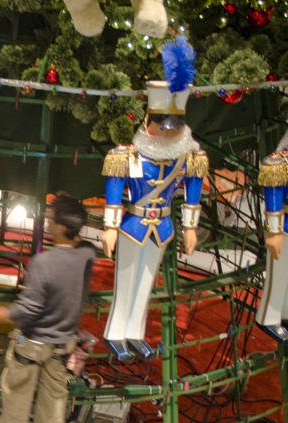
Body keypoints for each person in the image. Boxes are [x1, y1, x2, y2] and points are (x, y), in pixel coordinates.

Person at [100, 36, 208, 361]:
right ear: (149, 122)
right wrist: (109, 227)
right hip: (134, 223)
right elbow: (114, 194)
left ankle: (134, 332)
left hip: (162, 225)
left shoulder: (186, 158)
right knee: (126, 277)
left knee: (147, 282)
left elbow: (193, 190)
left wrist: (190, 227)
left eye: (174, 127)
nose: (168, 132)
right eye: (162, 126)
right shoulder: (128, 156)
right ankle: (115, 332)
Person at [0, 193, 95, 423]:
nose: (47, 222)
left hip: (31, 343)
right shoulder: (88, 254)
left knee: (16, 392)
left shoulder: (43, 263)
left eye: (51, 219)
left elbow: (28, 309)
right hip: (63, 345)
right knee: (55, 400)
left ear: (62, 227)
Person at [254, 129, 288, 342]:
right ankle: (268, 317)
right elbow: (274, 201)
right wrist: (274, 231)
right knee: (279, 273)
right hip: (286, 225)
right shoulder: (281, 163)